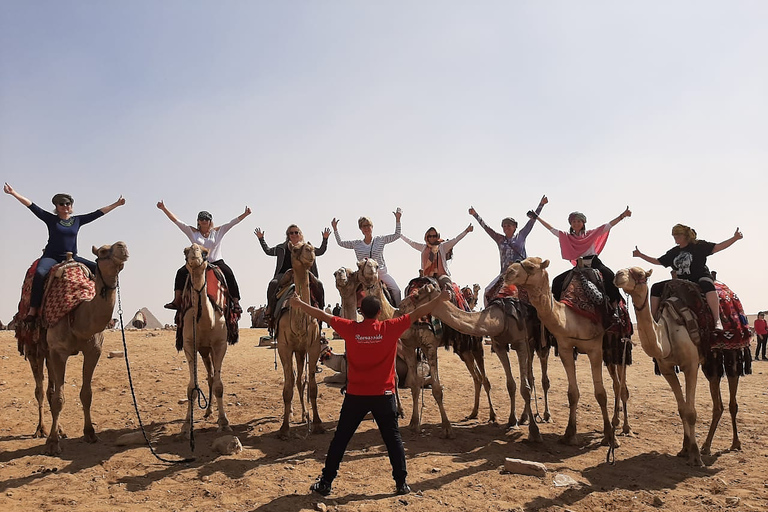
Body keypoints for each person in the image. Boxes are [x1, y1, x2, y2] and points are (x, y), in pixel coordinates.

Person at [290, 288, 451, 497]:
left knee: (340, 439)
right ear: (378, 313)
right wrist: (440, 298)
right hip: (383, 396)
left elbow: (323, 315)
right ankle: (401, 483)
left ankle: (326, 482)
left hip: (356, 396)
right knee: (393, 439)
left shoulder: (350, 328)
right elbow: (419, 312)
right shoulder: (390, 327)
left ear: (361, 311)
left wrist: (299, 305)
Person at [4, 182, 125, 321]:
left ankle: (101, 304)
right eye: (61, 204)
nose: (65, 206)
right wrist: (13, 193)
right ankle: (33, 310)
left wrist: (116, 204)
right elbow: (31, 206)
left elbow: (98, 213)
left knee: (100, 269)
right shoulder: (51, 219)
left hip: (72, 257)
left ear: (71, 206)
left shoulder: (77, 220)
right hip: (52, 257)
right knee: (39, 273)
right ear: (57, 207)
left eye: (68, 203)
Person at [633, 224, 743, 331]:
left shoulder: (699, 246)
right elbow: (658, 261)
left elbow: (718, 247)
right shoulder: (674, 252)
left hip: (700, 277)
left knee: (707, 285)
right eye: (674, 236)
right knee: (656, 287)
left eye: (678, 235)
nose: (675, 238)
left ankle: (717, 319)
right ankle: (654, 319)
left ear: (685, 236)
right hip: (682, 281)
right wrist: (640, 255)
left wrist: (735, 238)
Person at [528, 206, 631, 307]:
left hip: (594, 263)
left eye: (578, 221)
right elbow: (551, 229)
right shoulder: (567, 237)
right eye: (573, 222)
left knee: (609, 275)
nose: (576, 224)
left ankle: (614, 305)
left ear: (583, 223)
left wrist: (622, 216)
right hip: (579, 266)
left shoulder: (591, 233)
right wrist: (537, 218)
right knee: (557, 281)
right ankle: (556, 307)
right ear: (570, 224)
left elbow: (608, 225)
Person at [157, 201, 251, 311]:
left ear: (210, 221)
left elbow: (232, 222)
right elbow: (177, 221)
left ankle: (236, 302)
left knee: (229, 274)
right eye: (202, 219)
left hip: (216, 261)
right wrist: (164, 208)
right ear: (198, 221)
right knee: (180, 272)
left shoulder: (218, 231)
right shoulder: (192, 232)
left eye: (206, 219)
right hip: (197, 263)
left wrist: (245, 214)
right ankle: (177, 300)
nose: (204, 221)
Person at [469, 195, 547, 306]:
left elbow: (532, 221)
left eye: (509, 225)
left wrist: (541, 204)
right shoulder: (499, 239)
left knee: (536, 296)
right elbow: (486, 227)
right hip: (505, 275)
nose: (506, 227)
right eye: (504, 226)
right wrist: (475, 215)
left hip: (521, 273)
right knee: (487, 292)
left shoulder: (521, 236)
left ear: (515, 226)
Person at [255, 223, 330, 325]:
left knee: (319, 285)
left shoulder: (306, 247)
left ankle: (321, 311)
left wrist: (325, 239)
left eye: (296, 232)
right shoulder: (281, 248)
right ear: (288, 235)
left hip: (304, 273)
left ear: (300, 234)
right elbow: (268, 251)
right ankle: (270, 309)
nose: (294, 235)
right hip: (285, 273)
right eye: (291, 233)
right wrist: (261, 239)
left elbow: (320, 251)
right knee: (273, 284)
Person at [332, 207, 403, 305]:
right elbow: (340, 243)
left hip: (380, 273)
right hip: (362, 276)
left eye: (368, 225)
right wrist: (335, 229)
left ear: (372, 226)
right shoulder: (356, 244)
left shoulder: (380, 240)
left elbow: (397, 235)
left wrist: (398, 220)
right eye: (363, 226)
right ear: (360, 229)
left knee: (397, 291)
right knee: (349, 292)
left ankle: (398, 314)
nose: (366, 228)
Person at [401, 224, 473, 288]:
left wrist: (466, 231)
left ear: (437, 236)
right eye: (430, 236)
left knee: (448, 287)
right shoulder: (423, 247)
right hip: (426, 277)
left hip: (441, 275)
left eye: (434, 236)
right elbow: (411, 243)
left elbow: (456, 239)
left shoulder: (443, 246)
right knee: (412, 289)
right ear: (427, 237)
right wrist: (401, 236)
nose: (432, 238)